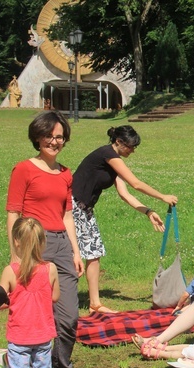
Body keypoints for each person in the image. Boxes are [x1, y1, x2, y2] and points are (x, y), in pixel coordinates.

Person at [6, 110, 84, 368]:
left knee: (68, 314)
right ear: (38, 137)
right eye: (49, 136)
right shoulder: (23, 169)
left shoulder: (65, 174)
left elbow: (66, 216)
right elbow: (14, 213)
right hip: (31, 243)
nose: (55, 141)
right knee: (30, 314)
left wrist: (76, 252)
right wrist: (16, 256)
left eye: (60, 137)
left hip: (61, 243)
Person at [72, 125, 178, 314]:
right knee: (71, 255)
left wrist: (148, 212)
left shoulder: (113, 160)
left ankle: (95, 303)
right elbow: (135, 183)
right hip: (72, 207)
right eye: (130, 146)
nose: (133, 150)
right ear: (118, 142)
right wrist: (162, 197)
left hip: (85, 210)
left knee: (94, 253)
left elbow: (125, 195)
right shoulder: (107, 154)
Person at [0, 217, 59, 368]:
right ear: (42, 241)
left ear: (16, 242)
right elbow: (55, 296)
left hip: (19, 337)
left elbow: (1, 300)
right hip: (43, 336)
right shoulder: (50, 269)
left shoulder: (10, 271)